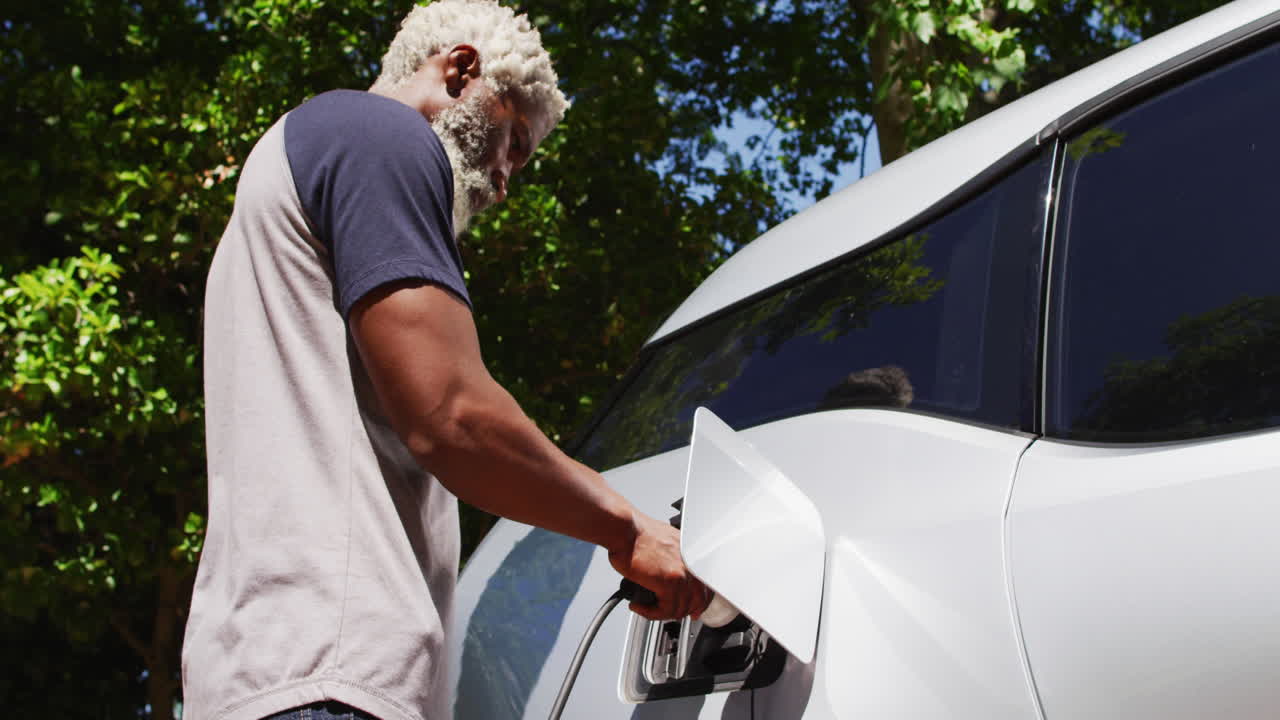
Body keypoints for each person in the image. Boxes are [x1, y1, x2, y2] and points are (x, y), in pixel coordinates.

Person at [181, 2, 710, 719]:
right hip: (324, 677)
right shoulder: (378, 135)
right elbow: (453, 417)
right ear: (461, 71)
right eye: (514, 142)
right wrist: (632, 529)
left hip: (264, 669)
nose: (505, 180)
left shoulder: (296, 166)